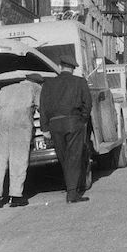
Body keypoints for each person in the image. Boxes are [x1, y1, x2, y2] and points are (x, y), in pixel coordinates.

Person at [39, 58, 93, 204]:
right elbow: (87, 103)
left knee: (63, 157)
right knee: (74, 157)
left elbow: (43, 107)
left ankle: (71, 188)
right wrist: (82, 120)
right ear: (73, 68)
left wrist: (45, 128)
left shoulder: (48, 84)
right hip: (73, 122)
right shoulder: (80, 82)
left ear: (59, 66)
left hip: (54, 125)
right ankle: (72, 193)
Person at [0, 73, 44, 208]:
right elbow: (41, 107)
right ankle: (15, 197)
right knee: (18, 159)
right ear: (38, 83)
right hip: (20, 124)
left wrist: (0, 119)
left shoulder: (6, 88)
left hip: (1, 124)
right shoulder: (35, 88)